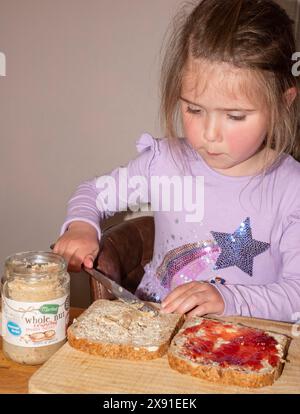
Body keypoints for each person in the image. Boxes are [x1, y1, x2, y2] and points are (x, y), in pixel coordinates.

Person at [54, 0, 300, 322]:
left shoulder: (290, 188)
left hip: (244, 347)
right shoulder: (165, 162)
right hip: (158, 331)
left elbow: (295, 294)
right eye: (194, 110)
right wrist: (82, 226)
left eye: (235, 116)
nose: (209, 134)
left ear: (283, 104)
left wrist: (228, 298)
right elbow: (93, 193)